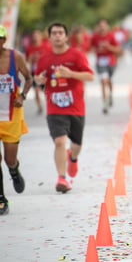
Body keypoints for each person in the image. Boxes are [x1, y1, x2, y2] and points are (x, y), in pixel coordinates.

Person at [34, 22, 94, 193]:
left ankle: (73, 158)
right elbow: (38, 76)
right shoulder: (44, 58)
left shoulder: (76, 55)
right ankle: (61, 178)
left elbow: (90, 76)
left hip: (75, 106)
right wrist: (39, 80)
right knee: (60, 141)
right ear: (50, 37)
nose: (58, 35)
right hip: (54, 106)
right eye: (54, 33)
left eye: (61, 33)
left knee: (76, 144)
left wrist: (71, 74)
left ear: (66, 36)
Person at [0, 25, 33, 215]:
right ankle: (1, 198)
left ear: (4, 41)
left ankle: (14, 170)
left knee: (9, 158)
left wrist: (22, 97)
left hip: (11, 115)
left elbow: (29, 79)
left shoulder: (15, 57)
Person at [91, 19, 122, 114]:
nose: (102, 28)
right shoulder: (95, 37)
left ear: (107, 27)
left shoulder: (111, 36)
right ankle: (105, 104)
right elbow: (91, 47)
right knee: (103, 81)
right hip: (100, 62)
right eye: (100, 26)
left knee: (109, 81)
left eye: (104, 26)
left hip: (111, 62)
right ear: (98, 27)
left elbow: (118, 50)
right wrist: (97, 50)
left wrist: (109, 47)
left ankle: (111, 95)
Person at [25, 29, 51, 115]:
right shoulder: (29, 48)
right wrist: (31, 58)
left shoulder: (46, 46)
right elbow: (27, 60)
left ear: (40, 36)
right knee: (36, 91)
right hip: (35, 72)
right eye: (34, 36)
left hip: (45, 72)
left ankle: (50, 107)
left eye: (37, 35)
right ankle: (40, 107)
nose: (36, 37)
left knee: (46, 91)